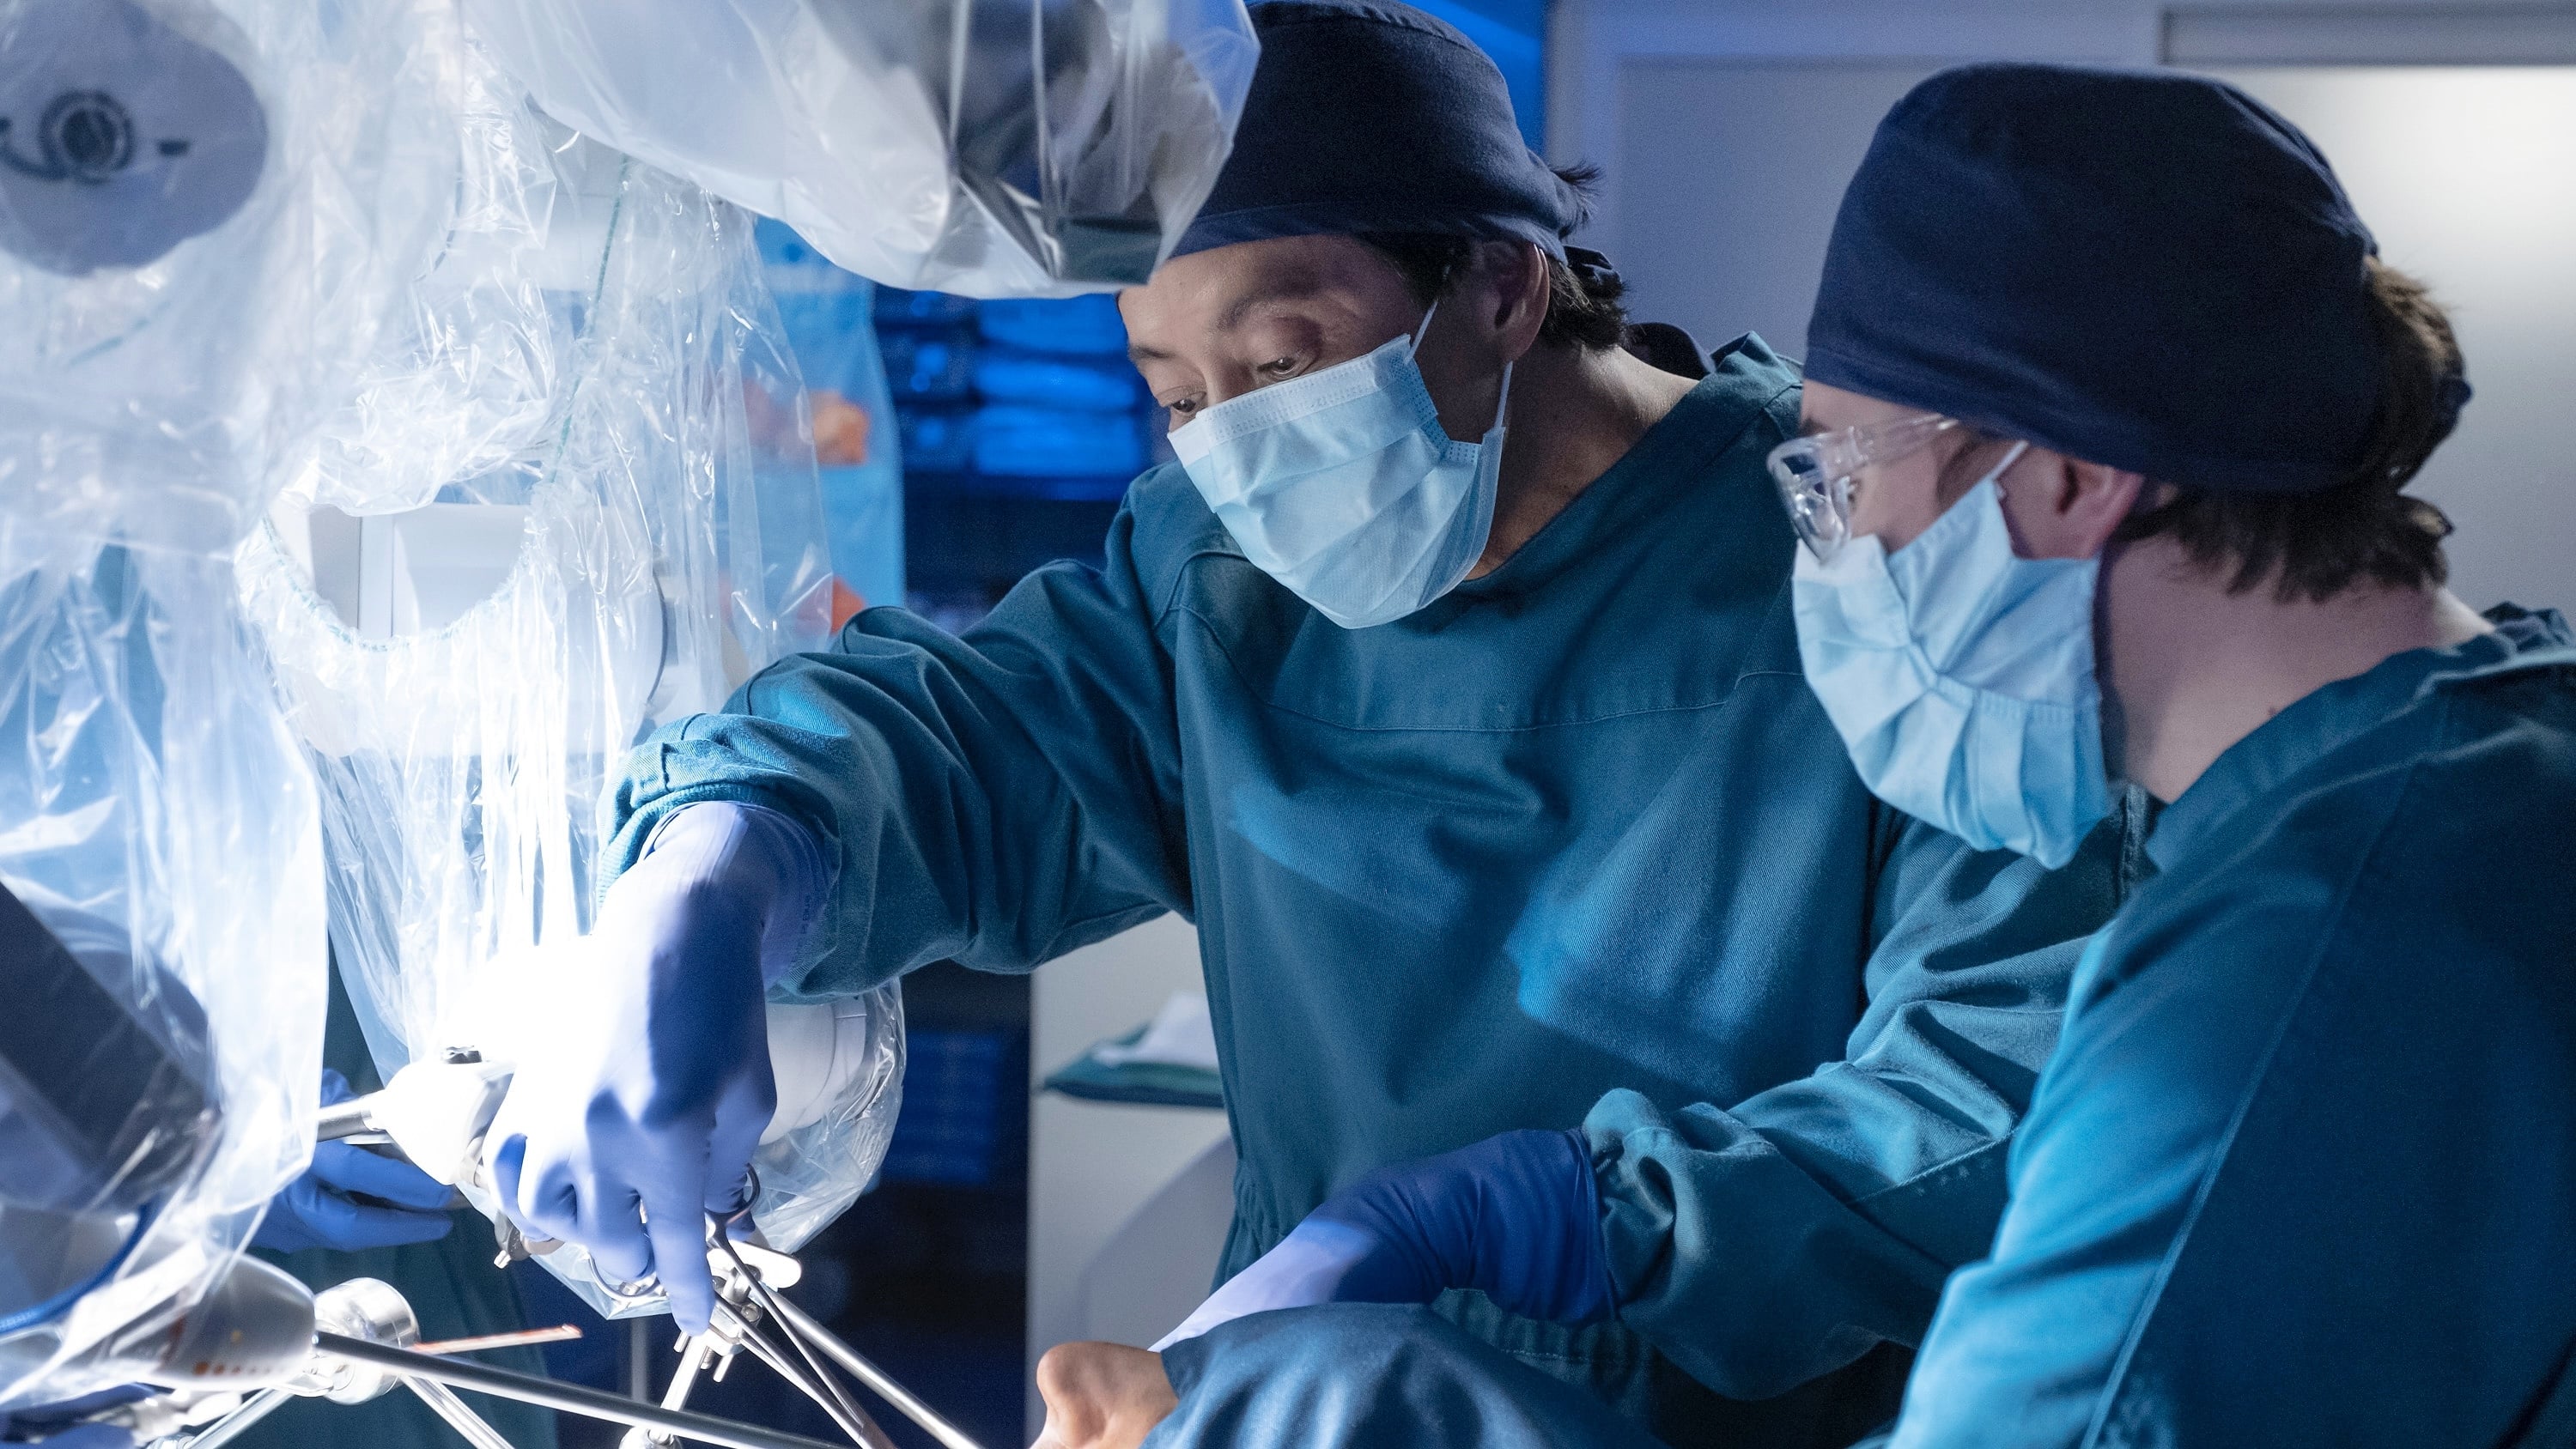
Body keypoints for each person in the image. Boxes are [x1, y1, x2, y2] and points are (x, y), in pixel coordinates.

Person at [483, 9, 2136, 1443]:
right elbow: (969, 747)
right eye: (1177, 395)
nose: (1232, 448)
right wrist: (721, 866)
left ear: (1504, 284)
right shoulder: (1216, 574)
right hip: (1315, 1407)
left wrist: (1563, 1219)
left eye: (1285, 360)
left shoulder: (1849, 550)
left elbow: (1999, 1085)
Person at [1024, 60, 2576, 1449]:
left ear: (2067, 479)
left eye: (1842, 473)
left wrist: (1357, 1404)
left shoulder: (2300, 970)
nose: (1826, 544)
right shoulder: (2496, 775)